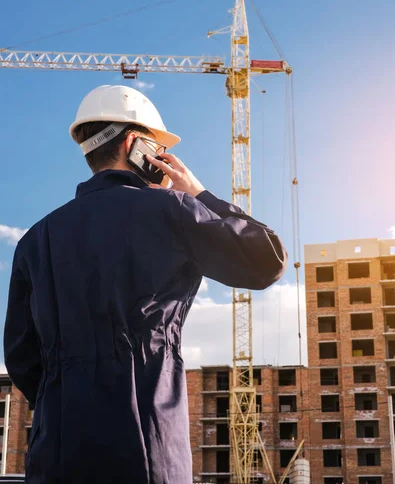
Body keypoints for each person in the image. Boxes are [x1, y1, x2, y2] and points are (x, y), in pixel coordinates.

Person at [4, 85, 288, 484]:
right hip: (148, 445)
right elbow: (267, 260)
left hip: (57, 452)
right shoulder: (172, 211)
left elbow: (20, 355)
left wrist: (68, 394)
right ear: (136, 143)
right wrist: (199, 193)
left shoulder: (36, 238)